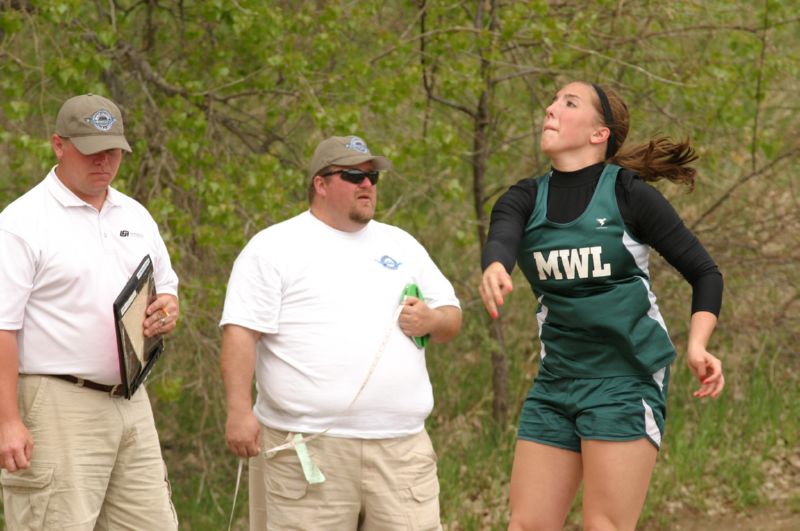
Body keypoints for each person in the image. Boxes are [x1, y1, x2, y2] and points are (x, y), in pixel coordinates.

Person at [479, 81, 725, 531]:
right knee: (526, 525)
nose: (551, 108)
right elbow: (503, 235)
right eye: (552, 99)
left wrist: (697, 346)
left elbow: (706, 273)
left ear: (599, 133)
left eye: (568, 103)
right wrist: (495, 265)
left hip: (625, 381)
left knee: (604, 525)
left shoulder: (629, 195)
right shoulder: (524, 197)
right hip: (556, 383)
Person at [220, 134, 462, 530]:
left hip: (401, 450)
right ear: (321, 184)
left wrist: (432, 321)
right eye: (354, 176)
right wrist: (238, 411)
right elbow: (240, 333)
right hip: (309, 448)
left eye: (373, 178)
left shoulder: (402, 244)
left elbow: (452, 316)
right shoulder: (274, 247)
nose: (367, 185)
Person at [0, 94, 179, 530]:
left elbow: (166, 287)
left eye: (113, 150)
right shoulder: (22, 222)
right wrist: (8, 421)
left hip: (131, 400)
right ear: (59, 145)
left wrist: (168, 309)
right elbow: (2, 327)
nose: (104, 161)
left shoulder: (135, 214)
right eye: (90, 149)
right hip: (57, 403)